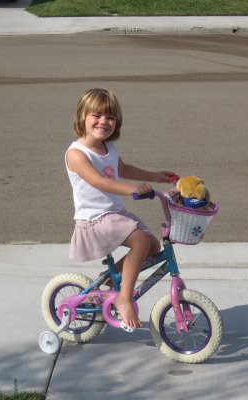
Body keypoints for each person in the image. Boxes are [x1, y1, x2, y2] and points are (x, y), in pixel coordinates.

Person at [65, 88, 177, 330]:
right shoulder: (76, 153)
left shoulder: (108, 148)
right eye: (96, 115)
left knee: (153, 246)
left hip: (113, 214)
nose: (103, 122)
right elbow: (98, 181)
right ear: (82, 117)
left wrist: (155, 176)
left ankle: (111, 282)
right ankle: (124, 297)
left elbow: (123, 169)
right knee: (140, 241)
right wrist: (131, 189)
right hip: (94, 219)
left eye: (110, 118)